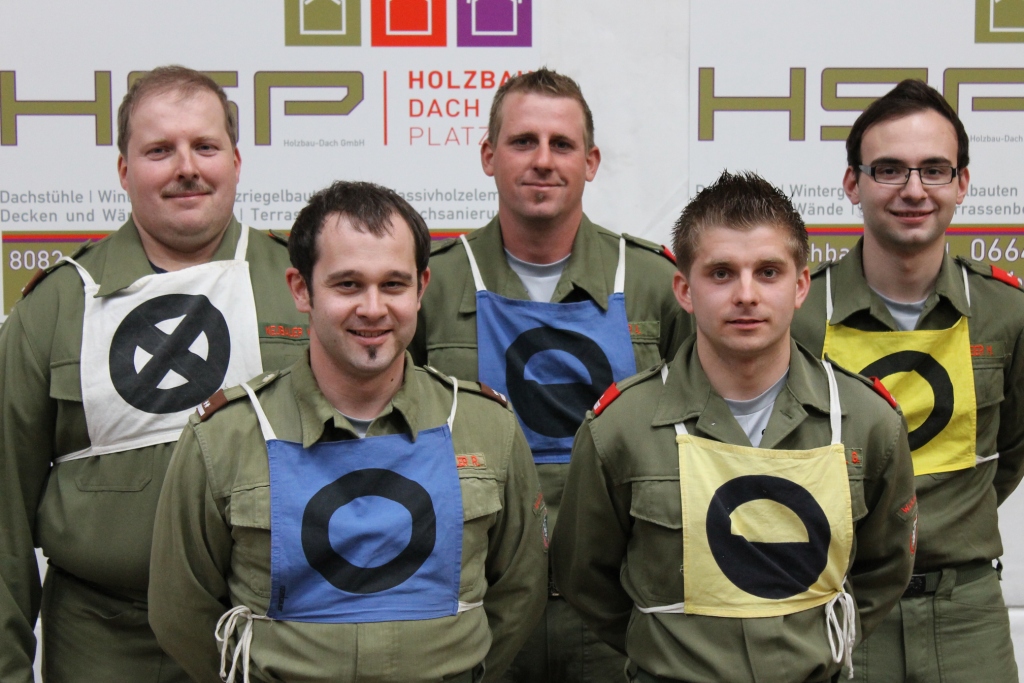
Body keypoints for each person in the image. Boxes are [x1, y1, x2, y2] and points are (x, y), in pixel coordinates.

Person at [148, 181, 548, 683]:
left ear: (421, 288)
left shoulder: (486, 427)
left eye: (394, 284)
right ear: (301, 290)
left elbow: (520, 593)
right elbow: (181, 613)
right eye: (348, 285)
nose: (374, 308)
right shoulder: (225, 438)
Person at [0, 65, 309, 682]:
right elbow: (3, 513)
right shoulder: (56, 306)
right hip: (101, 643)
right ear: (124, 171)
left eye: (205, 147)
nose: (186, 168)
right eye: (159, 150)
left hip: (273, 633)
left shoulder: (304, 288)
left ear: (236, 162)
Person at [552, 171, 918, 683]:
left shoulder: (867, 422)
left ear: (800, 286)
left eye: (768, 272)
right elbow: (585, 577)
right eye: (721, 273)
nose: (746, 294)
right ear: (684, 289)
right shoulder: (620, 429)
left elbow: (885, 569)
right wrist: (670, 650)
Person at [411, 67, 690, 683]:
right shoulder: (430, 286)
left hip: (616, 615)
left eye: (561, 144)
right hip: (477, 613)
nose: (542, 161)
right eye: (523, 142)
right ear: (489, 156)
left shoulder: (655, 284)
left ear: (590, 162)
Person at [791, 79, 1024, 682]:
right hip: (837, 605)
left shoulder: (1006, 312)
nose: (914, 190)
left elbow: (1011, 451)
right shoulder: (797, 317)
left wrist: (950, 517)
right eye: (889, 169)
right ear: (853, 183)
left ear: (962, 183)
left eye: (934, 170)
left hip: (966, 612)